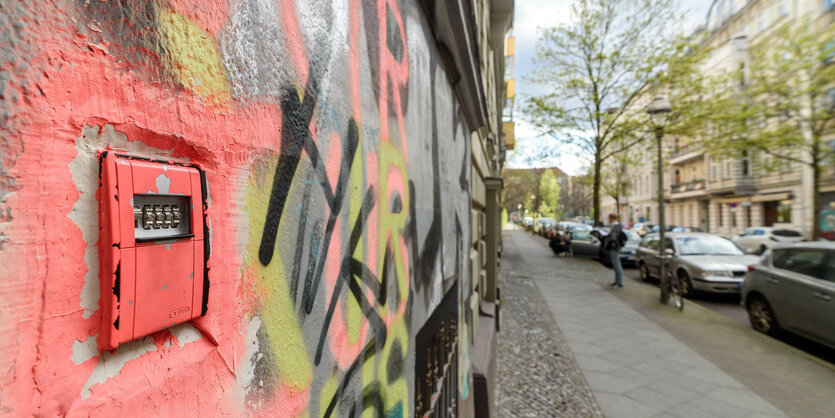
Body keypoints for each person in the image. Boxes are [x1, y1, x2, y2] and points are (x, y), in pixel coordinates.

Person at [606, 213, 626, 288]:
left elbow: (613, 238)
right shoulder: (617, 225)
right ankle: (617, 281)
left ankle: (619, 282)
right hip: (615, 246)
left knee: (616, 264)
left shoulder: (615, 226)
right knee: (616, 263)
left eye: (609, 218)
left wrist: (607, 238)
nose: (608, 220)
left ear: (611, 218)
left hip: (614, 247)